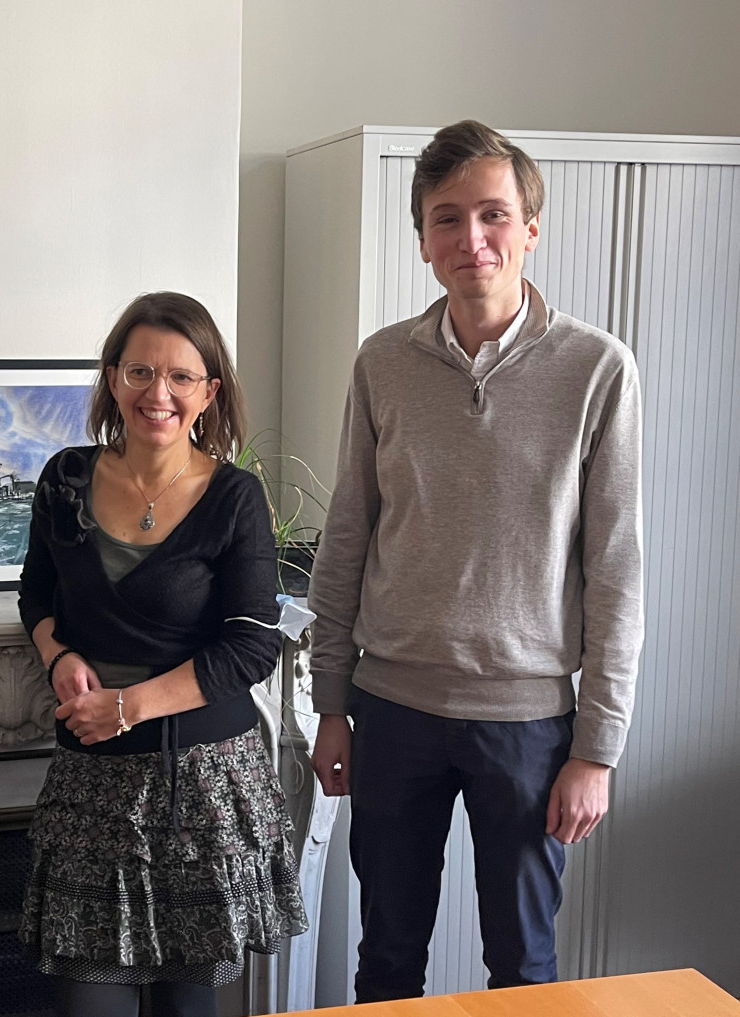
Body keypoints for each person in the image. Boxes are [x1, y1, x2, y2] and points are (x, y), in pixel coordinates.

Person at [307, 120, 643, 1001]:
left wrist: (597, 750)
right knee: (386, 962)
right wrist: (330, 705)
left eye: (493, 215)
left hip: (530, 728)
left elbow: (615, 570)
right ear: (421, 239)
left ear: (532, 225)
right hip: (392, 712)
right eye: (447, 219)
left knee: (524, 974)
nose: (472, 240)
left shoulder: (597, 369)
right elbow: (347, 537)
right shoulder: (382, 363)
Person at [16, 292, 307, 1016]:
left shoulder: (236, 497)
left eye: (182, 376)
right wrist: (57, 657)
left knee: (186, 1011)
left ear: (209, 392)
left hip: (202, 794)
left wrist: (124, 706)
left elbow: (251, 646)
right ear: (114, 378)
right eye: (141, 370)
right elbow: (35, 596)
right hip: (90, 790)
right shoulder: (65, 479)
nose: (160, 393)